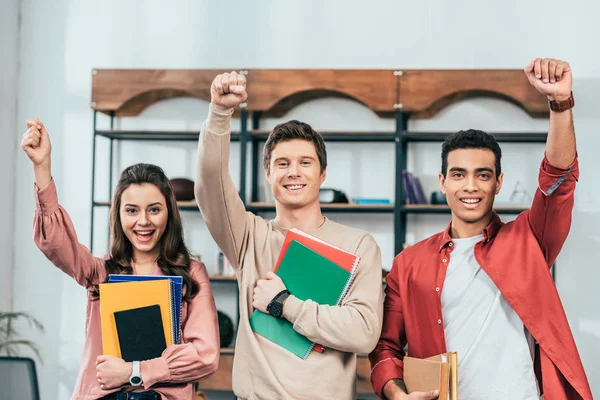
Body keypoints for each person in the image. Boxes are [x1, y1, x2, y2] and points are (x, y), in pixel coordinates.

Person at [369, 58, 593, 400]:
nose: (470, 186)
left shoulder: (529, 240)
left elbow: (559, 180)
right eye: (458, 174)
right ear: (443, 183)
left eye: (483, 175)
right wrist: (397, 394)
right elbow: (385, 348)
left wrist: (560, 104)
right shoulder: (409, 263)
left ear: (498, 182)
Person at [195, 71, 384, 399]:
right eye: (282, 163)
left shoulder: (359, 245)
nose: (293, 172)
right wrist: (219, 113)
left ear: (322, 173)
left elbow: (364, 332)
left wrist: (285, 304)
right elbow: (211, 184)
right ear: (268, 174)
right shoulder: (248, 236)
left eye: (305, 163)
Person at [21, 119, 219, 400]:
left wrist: (134, 371)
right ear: (119, 215)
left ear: (169, 214)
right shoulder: (100, 272)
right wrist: (42, 167)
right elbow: (54, 242)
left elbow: (205, 355)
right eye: (131, 210)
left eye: (154, 210)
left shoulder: (192, 273)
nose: (143, 221)